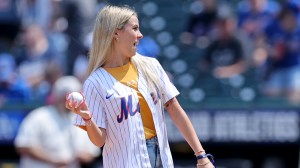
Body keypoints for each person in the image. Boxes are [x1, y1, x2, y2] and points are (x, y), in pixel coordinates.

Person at [66, 5, 214, 168]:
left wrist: (201, 155)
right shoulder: (95, 82)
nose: (140, 35)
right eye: (135, 28)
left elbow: (175, 109)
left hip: (162, 158)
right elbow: (99, 140)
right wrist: (88, 118)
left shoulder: (151, 65)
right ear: (116, 33)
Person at [14, 76, 100, 168]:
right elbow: (23, 145)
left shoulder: (83, 120)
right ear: (56, 95)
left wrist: (78, 157)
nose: (65, 100)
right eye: (63, 96)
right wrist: (54, 160)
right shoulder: (38, 116)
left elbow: (92, 153)